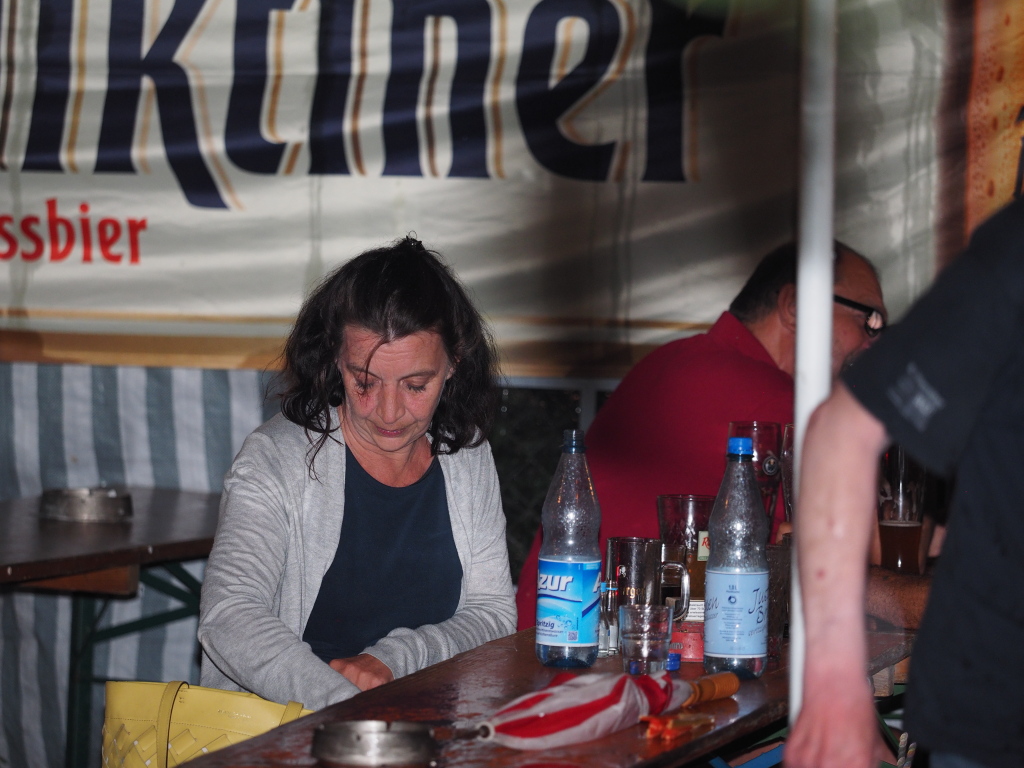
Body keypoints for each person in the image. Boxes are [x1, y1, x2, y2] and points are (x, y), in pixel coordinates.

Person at [198, 237, 516, 710]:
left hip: (428, 728)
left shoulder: (467, 457)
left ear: (454, 363)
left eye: (415, 385)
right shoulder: (276, 459)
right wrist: (346, 704)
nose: (388, 412)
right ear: (334, 360)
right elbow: (229, 615)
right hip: (292, 728)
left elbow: (492, 614)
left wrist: (395, 659)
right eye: (364, 382)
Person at [515, 241, 887, 629]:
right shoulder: (780, 404)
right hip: (624, 652)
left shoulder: (667, 361)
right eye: (869, 319)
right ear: (795, 305)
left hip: (552, 636)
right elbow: (873, 556)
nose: (875, 341)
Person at [786, 197, 1024, 768]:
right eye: (868, 320)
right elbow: (842, 434)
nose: (875, 338)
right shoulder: (1017, 254)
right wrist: (835, 686)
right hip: (1000, 716)